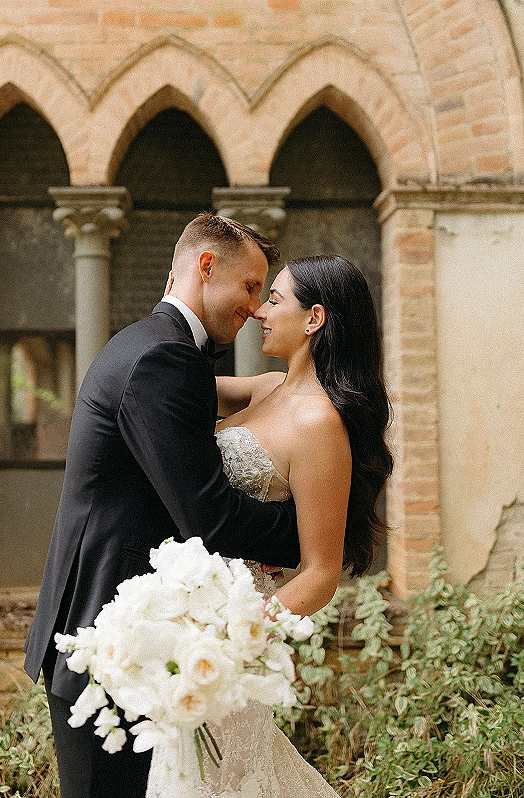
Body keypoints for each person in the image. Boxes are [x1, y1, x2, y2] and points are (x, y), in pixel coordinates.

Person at [23, 212, 303, 798]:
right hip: (108, 649)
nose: (255, 307)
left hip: (117, 638)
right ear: (206, 267)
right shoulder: (164, 359)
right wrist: (317, 532)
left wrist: (259, 388)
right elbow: (210, 516)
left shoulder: (149, 345)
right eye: (250, 286)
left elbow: (186, 419)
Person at [146, 253, 393, 797]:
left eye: (274, 299)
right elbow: (165, 387)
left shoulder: (320, 427)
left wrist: (239, 639)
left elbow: (321, 571)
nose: (259, 311)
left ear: (315, 319)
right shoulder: (267, 387)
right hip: (185, 614)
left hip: (227, 638)